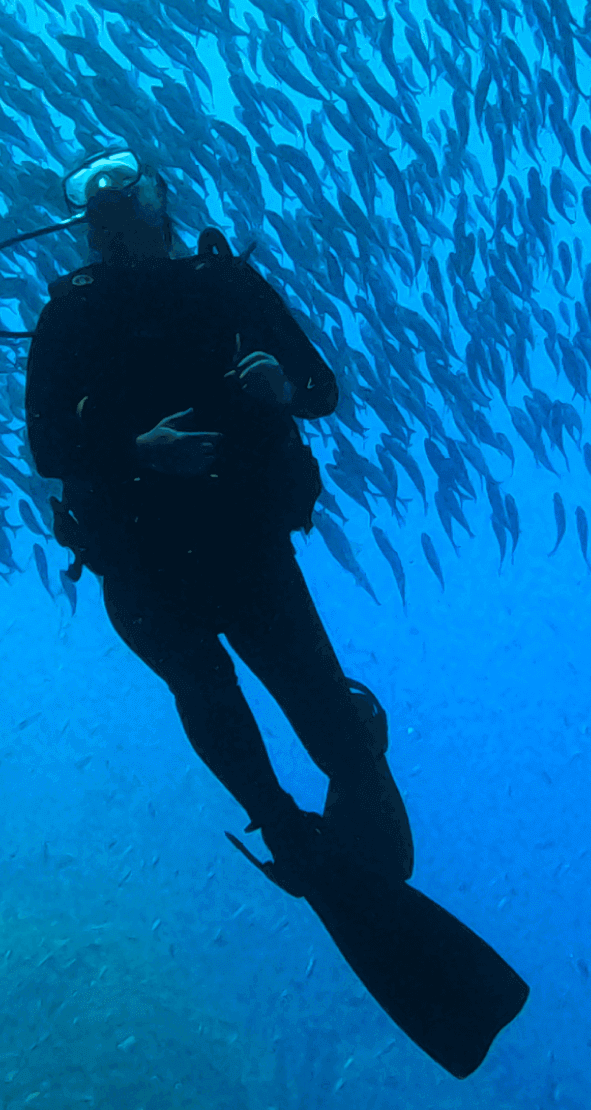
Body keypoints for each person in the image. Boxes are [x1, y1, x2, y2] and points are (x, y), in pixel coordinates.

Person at [23, 149, 414, 892]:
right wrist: (139, 450)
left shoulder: (222, 284)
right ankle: (286, 828)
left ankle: (362, 815)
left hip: (242, 543)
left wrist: (279, 385)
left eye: (129, 213)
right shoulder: (69, 315)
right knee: (207, 689)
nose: (119, 235)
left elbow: (320, 390)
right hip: (142, 560)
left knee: (312, 704)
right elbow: (48, 447)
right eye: (106, 223)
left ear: (158, 213)